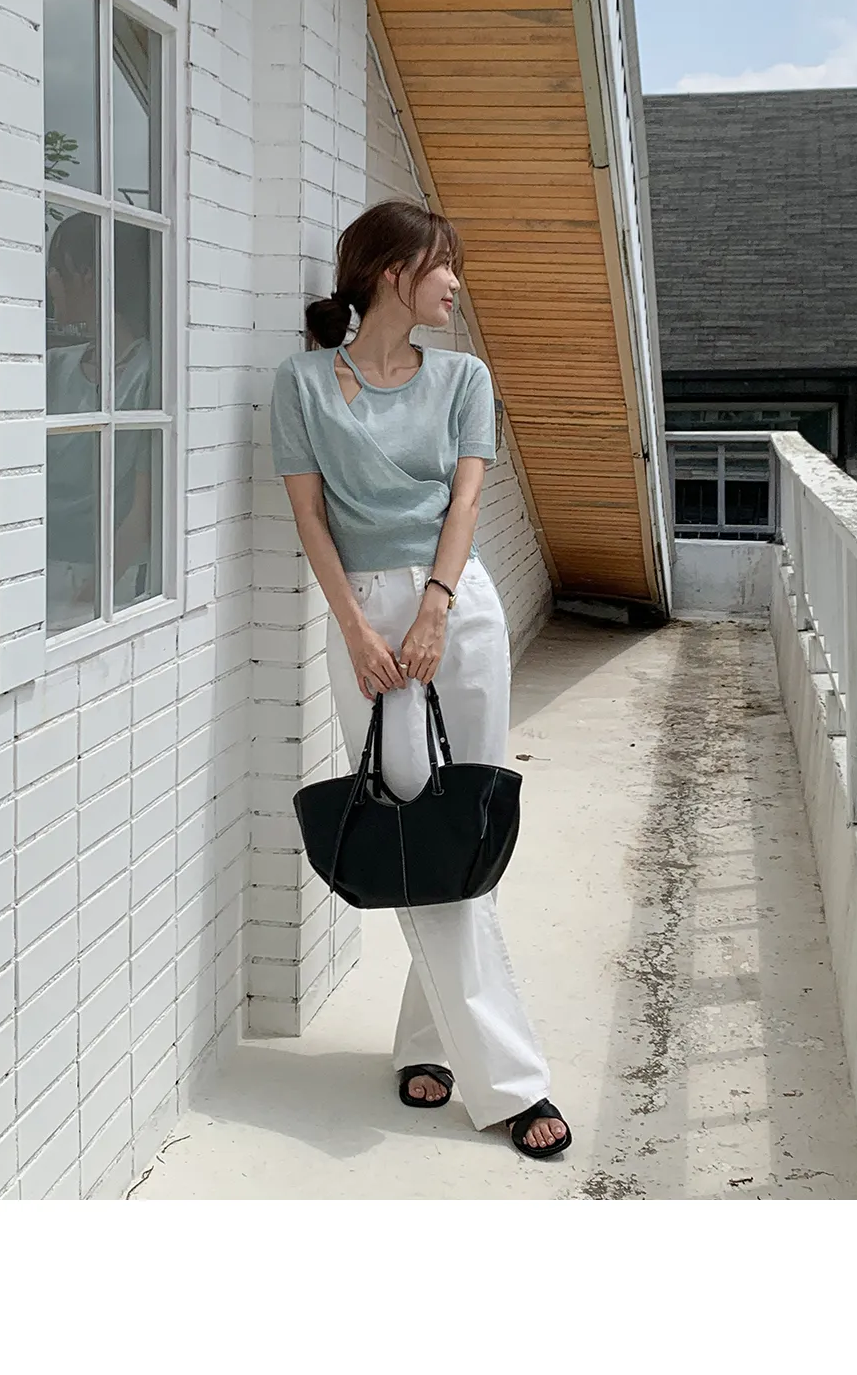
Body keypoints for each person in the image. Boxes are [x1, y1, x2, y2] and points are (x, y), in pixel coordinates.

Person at [269, 198, 572, 1160]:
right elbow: (311, 519)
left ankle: (427, 1040)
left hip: (458, 606)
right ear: (393, 272)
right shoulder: (303, 384)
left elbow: (468, 500)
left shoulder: (463, 377)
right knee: (413, 822)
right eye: (444, 266)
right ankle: (512, 1081)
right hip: (364, 613)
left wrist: (437, 606)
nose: (455, 284)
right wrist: (356, 628)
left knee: (462, 824)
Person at [45, 211, 156, 633]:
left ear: (87, 274)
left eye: (57, 269)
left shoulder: (150, 372)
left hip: (105, 578)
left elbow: (143, 513)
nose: (50, 281)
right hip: (31, 566)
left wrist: (88, 600)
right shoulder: (54, 366)